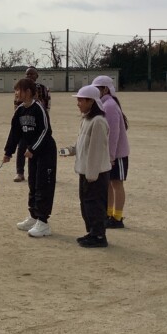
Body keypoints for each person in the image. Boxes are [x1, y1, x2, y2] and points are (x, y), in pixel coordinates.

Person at [3, 77, 57, 238]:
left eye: (18, 90)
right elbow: (15, 132)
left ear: (28, 92)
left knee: (43, 185)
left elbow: (46, 131)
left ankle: (43, 222)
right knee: (33, 184)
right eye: (15, 90)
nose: (16, 93)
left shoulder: (39, 108)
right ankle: (33, 217)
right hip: (32, 153)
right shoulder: (20, 110)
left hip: (45, 152)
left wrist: (33, 148)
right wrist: (8, 152)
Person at [61, 85, 111, 248]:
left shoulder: (98, 122)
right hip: (86, 172)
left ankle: (99, 236)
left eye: (81, 100)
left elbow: (96, 151)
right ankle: (92, 232)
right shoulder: (86, 120)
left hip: (96, 174)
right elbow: (80, 145)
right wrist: (67, 151)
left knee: (95, 204)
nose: (78, 104)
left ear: (91, 102)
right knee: (86, 204)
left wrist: (91, 176)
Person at [92, 75, 130, 229]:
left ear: (105, 89)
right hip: (109, 154)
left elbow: (113, 134)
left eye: (97, 89)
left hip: (117, 154)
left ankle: (117, 217)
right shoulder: (104, 104)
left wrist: (111, 156)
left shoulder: (110, 106)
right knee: (108, 184)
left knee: (116, 184)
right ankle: (108, 214)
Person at [13, 67, 51, 183]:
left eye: (32, 74)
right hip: (24, 122)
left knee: (37, 148)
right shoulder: (21, 89)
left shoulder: (43, 88)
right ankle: (20, 172)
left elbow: (47, 104)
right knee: (21, 147)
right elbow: (16, 104)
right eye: (27, 74)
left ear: (37, 76)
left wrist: (43, 115)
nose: (29, 76)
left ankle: (38, 173)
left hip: (37, 123)